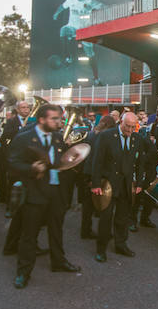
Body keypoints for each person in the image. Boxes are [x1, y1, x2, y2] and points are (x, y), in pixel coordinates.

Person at [8, 104, 81, 288]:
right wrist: (31, 169)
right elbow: (12, 163)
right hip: (35, 193)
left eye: (59, 118)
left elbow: (60, 160)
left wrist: (73, 157)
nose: (59, 122)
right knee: (29, 234)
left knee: (56, 230)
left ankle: (58, 261)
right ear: (41, 119)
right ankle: (23, 272)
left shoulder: (57, 137)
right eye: (54, 119)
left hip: (56, 192)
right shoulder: (24, 138)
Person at [90, 112, 144, 262]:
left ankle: (121, 244)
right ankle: (101, 249)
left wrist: (139, 183)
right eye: (127, 126)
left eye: (133, 127)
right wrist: (95, 184)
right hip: (108, 184)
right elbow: (97, 161)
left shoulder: (136, 138)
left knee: (122, 217)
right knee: (105, 218)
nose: (129, 130)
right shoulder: (106, 136)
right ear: (121, 121)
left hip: (126, 185)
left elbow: (140, 162)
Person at [0, 99, 32, 217]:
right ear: (18, 109)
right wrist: (20, 130)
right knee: (12, 183)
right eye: (23, 107)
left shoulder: (33, 122)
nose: (26, 110)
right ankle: (10, 207)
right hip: (15, 157)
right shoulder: (11, 121)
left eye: (27, 107)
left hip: (29, 157)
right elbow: (5, 137)